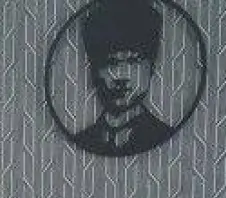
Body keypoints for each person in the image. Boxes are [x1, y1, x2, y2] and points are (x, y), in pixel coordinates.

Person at [73, 0, 174, 156]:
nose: (120, 76)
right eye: (110, 62)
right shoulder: (84, 140)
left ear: (152, 66)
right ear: (93, 70)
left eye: (134, 61)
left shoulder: (163, 136)